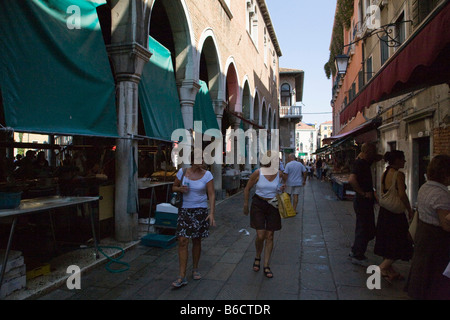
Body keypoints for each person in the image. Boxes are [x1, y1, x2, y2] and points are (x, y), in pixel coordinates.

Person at [405, 154, 450, 300]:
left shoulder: (425, 187)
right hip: (436, 241)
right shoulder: (441, 194)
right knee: (434, 278)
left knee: (422, 273)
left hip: (423, 235)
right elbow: (446, 225)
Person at [171, 153, 216, 288]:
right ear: (191, 161)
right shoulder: (183, 172)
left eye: (202, 158)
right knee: (183, 241)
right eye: (198, 159)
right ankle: (181, 275)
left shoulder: (207, 175)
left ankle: (195, 268)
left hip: (200, 210)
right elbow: (173, 187)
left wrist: (212, 212)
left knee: (197, 240)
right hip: (185, 210)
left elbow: (211, 194)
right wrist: (180, 189)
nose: (201, 161)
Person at [243, 151, 285, 279]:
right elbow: (247, 188)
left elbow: (281, 186)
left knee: (270, 235)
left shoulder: (279, 174)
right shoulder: (258, 172)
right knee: (260, 235)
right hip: (258, 204)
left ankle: (266, 265)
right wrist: (245, 204)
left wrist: (282, 188)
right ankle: (257, 255)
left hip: (273, 204)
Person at [374, 151, 413, 282]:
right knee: (400, 241)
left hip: (385, 212)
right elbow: (402, 194)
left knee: (388, 241)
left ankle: (390, 271)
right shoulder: (399, 175)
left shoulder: (385, 173)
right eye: (403, 159)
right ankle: (382, 267)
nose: (404, 162)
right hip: (395, 214)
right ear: (396, 160)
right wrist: (409, 209)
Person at [348, 142, 382, 266]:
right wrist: (362, 193)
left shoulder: (365, 162)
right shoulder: (360, 164)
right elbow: (351, 179)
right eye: (373, 152)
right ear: (368, 152)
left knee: (364, 227)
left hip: (364, 200)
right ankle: (358, 254)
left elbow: (376, 157)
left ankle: (356, 249)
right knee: (365, 228)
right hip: (362, 200)